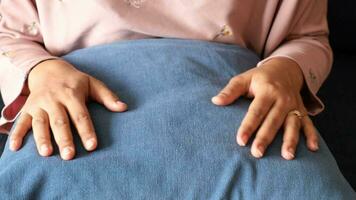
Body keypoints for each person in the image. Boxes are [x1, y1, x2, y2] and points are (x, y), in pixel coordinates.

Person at [0, 0, 331, 161]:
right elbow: (8, 33)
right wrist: (40, 71)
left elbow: (307, 35)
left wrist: (287, 70)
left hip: (239, 104)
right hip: (68, 99)